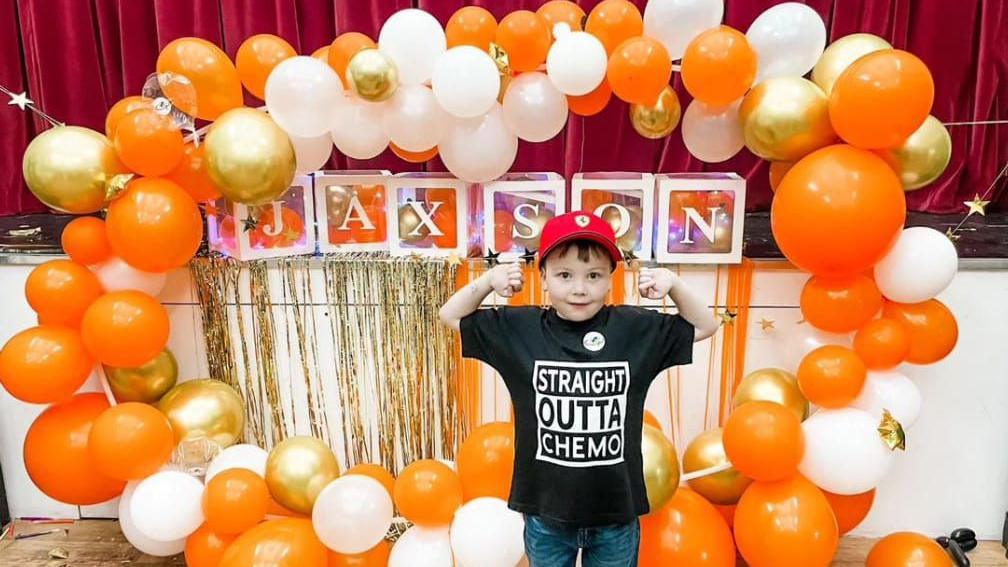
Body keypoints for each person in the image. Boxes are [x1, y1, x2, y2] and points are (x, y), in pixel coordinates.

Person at [439, 210, 720, 567]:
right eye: (564, 275)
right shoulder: (520, 330)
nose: (579, 288)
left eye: (594, 275)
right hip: (546, 513)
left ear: (609, 281)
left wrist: (674, 284)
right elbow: (450, 316)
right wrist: (488, 281)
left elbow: (706, 325)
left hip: (616, 513)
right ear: (542, 276)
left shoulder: (634, 329)